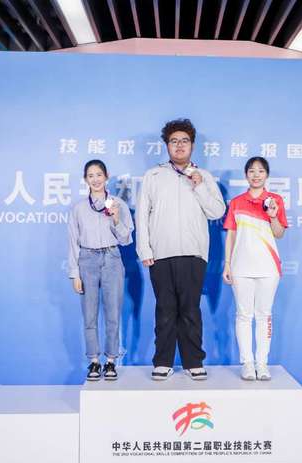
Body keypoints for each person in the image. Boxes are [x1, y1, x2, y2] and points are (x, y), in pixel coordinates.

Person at [136, 118, 226, 381]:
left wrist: (199, 186)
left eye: (184, 141)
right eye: (173, 141)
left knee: (190, 310)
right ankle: (162, 361)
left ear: (192, 145)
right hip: (160, 254)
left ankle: (193, 361)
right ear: (166, 145)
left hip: (193, 254)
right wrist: (145, 250)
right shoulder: (153, 175)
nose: (179, 145)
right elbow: (142, 215)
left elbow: (217, 212)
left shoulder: (204, 177)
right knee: (165, 310)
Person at [222, 156, 287, 381]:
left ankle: (262, 363)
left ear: (266, 175)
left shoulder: (275, 201)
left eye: (260, 171)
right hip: (241, 266)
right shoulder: (236, 203)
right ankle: (248, 364)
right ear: (246, 175)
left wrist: (272, 216)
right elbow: (231, 235)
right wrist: (227, 264)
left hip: (268, 266)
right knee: (243, 315)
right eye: (251, 171)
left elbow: (279, 233)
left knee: (264, 315)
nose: (256, 175)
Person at [68, 159, 133, 381]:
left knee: (113, 313)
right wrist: (75, 273)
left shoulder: (119, 205)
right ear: (85, 179)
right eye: (91, 176)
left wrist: (116, 218)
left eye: (99, 175)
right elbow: (73, 242)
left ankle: (111, 360)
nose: (95, 179)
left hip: (112, 258)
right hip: (87, 259)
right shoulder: (78, 208)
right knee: (89, 315)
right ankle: (94, 361)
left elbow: (126, 239)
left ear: (106, 177)